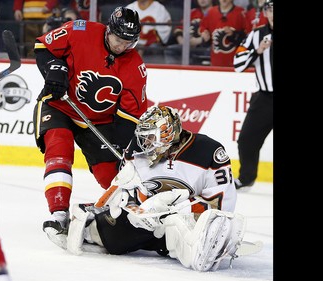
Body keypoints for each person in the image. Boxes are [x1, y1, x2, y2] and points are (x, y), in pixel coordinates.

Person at [65, 105, 245, 272]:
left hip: (187, 222)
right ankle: (95, 229)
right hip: (146, 224)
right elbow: (127, 192)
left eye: (151, 137)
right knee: (111, 239)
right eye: (144, 137)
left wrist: (179, 210)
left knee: (179, 228)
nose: (145, 143)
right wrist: (127, 205)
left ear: (168, 133)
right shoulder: (137, 148)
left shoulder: (208, 151)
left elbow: (222, 206)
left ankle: (200, 245)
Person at [33, 6, 148, 249]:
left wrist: (120, 146)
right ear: (108, 30)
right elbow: (44, 47)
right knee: (59, 149)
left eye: (128, 42)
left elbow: (130, 116)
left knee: (110, 174)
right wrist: (53, 70)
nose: (121, 46)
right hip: (60, 106)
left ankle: (139, 215)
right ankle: (59, 214)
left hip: (99, 121)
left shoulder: (135, 66)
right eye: (118, 39)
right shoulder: (79, 30)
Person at [233, 0, 273, 189]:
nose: (273, 12)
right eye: (270, 9)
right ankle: (247, 177)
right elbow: (238, 64)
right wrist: (258, 51)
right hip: (264, 98)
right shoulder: (255, 35)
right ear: (265, 12)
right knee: (247, 139)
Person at [199, 0, 247, 67]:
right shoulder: (211, 12)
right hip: (216, 64)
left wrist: (234, 35)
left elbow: (247, 38)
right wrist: (205, 37)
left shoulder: (241, 13)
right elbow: (203, 31)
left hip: (236, 64)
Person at [164, 0, 213, 65]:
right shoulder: (192, 12)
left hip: (208, 47)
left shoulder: (216, 12)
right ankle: (175, 74)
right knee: (171, 50)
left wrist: (199, 40)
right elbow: (178, 29)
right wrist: (182, 40)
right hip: (190, 46)